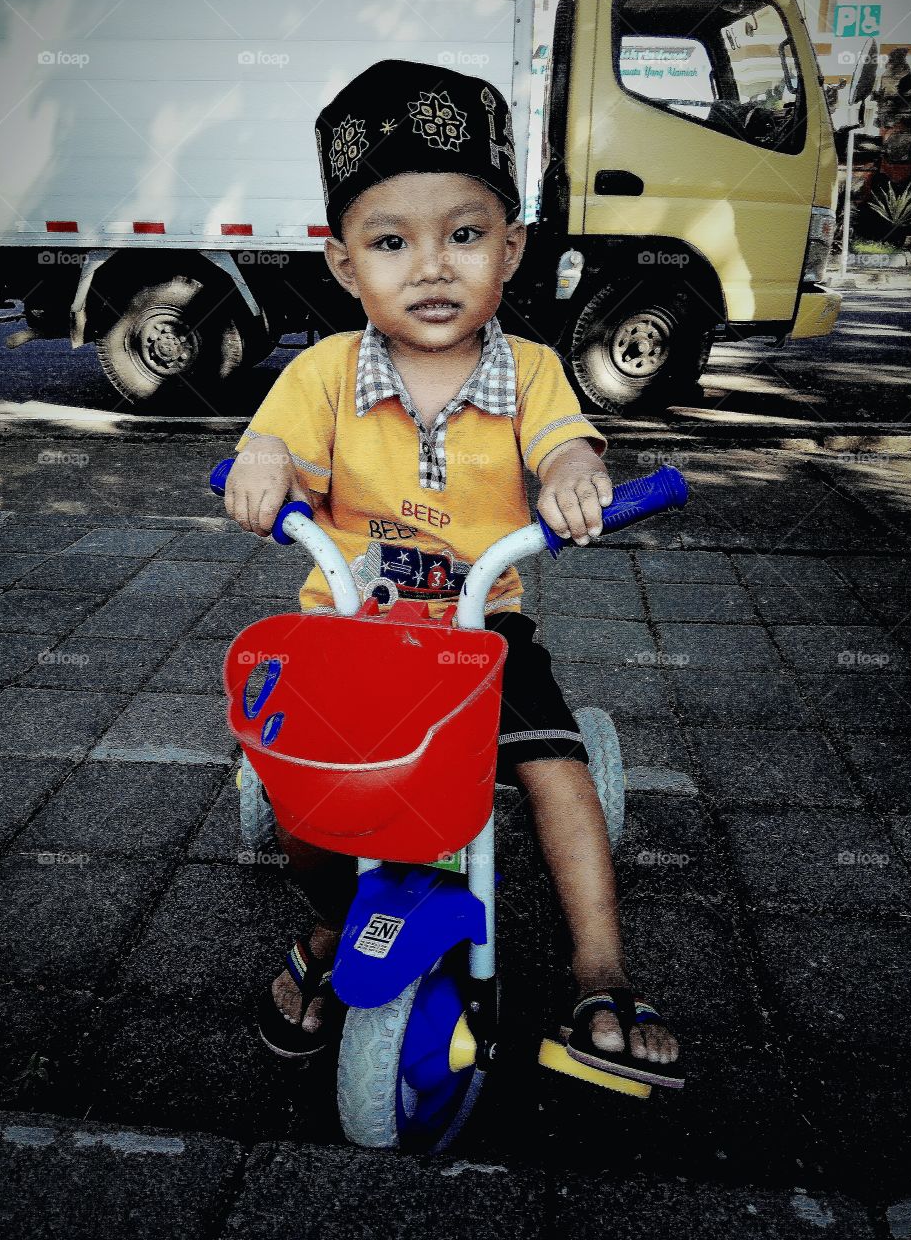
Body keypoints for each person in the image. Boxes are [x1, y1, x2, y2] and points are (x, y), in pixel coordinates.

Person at [223, 59, 680, 1086]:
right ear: (345, 266)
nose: (430, 267)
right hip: (354, 630)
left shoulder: (535, 373)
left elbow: (568, 444)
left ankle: (601, 969)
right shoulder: (324, 374)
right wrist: (260, 468)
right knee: (304, 792)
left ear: (510, 248)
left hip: (481, 633)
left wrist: (572, 472)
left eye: (464, 235)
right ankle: (337, 925)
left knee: (556, 766)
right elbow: (276, 451)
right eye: (391, 243)